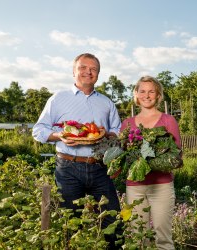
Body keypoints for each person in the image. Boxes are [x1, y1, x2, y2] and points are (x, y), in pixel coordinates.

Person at [32, 53, 122, 248]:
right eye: (83, 68)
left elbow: (117, 131)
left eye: (94, 69)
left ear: (98, 74)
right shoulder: (58, 98)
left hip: (100, 168)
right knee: (71, 223)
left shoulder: (106, 103)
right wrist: (59, 136)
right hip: (68, 168)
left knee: (113, 222)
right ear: (74, 72)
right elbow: (38, 130)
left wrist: (106, 134)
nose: (88, 72)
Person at [122, 75, 181, 250]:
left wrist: (151, 161)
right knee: (138, 236)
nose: (146, 95)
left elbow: (176, 155)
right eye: (142, 91)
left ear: (158, 95)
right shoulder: (127, 123)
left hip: (161, 186)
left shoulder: (168, 121)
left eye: (151, 91)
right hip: (135, 187)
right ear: (136, 94)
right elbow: (123, 155)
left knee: (163, 238)